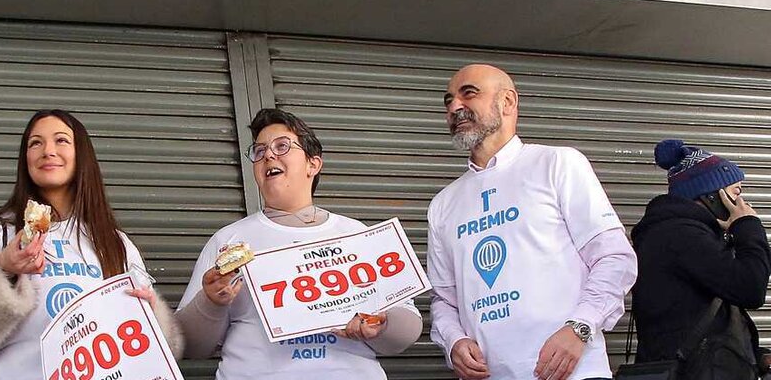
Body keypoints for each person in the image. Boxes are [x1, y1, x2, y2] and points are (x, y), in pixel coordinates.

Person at [176, 107, 422, 379]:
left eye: (282, 146)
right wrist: (212, 302)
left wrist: (381, 325)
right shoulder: (229, 242)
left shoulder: (358, 234)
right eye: (259, 151)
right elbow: (191, 346)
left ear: (313, 164)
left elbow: (407, 330)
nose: (268, 155)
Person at [0, 109, 183, 378]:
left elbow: (159, 349)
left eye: (61, 140)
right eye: (35, 143)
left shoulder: (114, 243)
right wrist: (3, 270)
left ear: (82, 155)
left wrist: (150, 316)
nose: (48, 151)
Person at [426, 64, 636, 380]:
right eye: (448, 100)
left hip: (572, 373)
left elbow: (614, 258)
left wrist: (579, 328)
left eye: (468, 94)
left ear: (508, 102)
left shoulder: (558, 163)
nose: (455, 106)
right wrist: (454, 340)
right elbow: (444, 299)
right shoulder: (444, 203)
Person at [629, 138, 769, 374]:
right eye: (736, 192)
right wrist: (748, 226)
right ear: (712, 196)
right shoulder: (681, 235)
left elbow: (693, 315)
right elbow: (750, 287)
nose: (742, 203)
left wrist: (756, 355)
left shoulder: (677, 233)